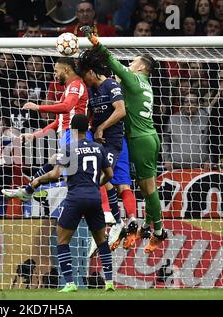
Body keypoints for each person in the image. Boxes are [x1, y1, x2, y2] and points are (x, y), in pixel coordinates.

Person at [83, 25, 167, 253]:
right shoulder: (145, 85)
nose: (130, 64)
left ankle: (158, 232)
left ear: (141, 66)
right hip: (147, 136)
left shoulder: (134, 79)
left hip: (140, 139)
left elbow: (112, 61)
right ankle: (146, 228)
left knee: (148, 188)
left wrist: (94, 40)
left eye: (133, 61)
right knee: (144, 186)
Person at [27, 114, 115, 292]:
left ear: (72, 129)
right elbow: (110, 175)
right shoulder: (98, 148)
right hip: (94, 197)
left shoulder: (69, 148)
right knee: (101, 241)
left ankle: (69, 283)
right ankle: (110, 282)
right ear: (87, 128)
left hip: (75, 198)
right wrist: (96, 184)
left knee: (62, 239)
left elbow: (54, 175)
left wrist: (37, 181)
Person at [2, 57, 90, 201]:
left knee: (69, 176)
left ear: (66, 69)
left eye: (56, 71)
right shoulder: (67, 89)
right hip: (66, 134)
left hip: (72, 134)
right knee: (55, 161)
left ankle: (31, 189)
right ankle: (28, 190)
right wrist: (34, 135)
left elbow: (67, 107)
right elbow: (58, 121)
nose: (54, 75)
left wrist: (38, 107)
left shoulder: (76, 85)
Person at [77, 49, 137, 251]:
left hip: (113, 142)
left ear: (92, 72)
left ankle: (117, 222)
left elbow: (121, 110)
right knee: (111, 181)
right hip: (100, 142)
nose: (84, 80)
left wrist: (102, 128)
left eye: (85, 75)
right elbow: (91, 114)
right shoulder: (92, 89)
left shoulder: (110, 85)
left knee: (104, 178)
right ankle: (122, 222)